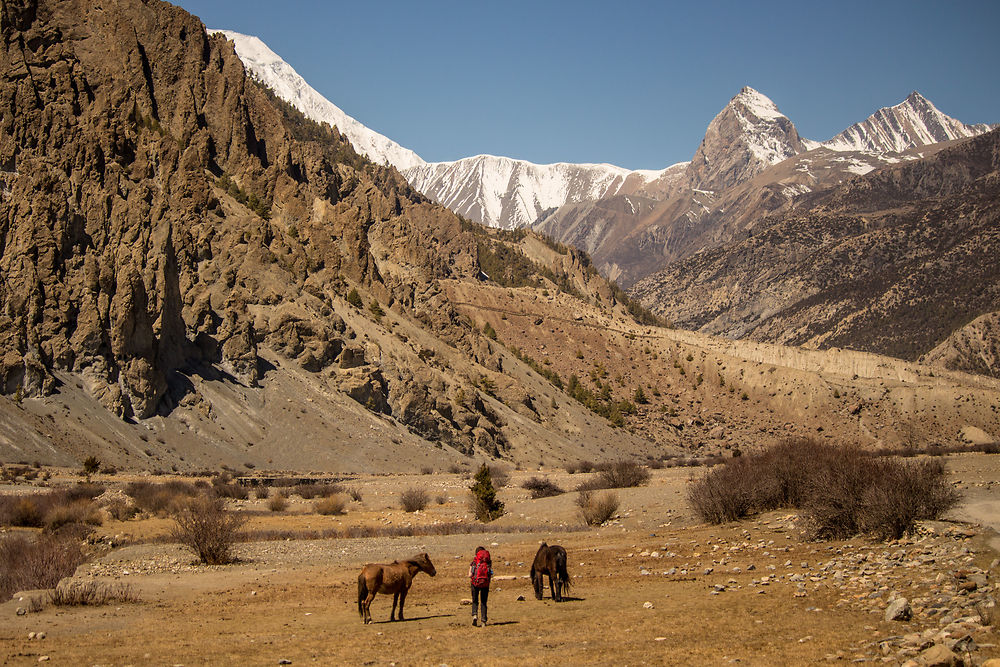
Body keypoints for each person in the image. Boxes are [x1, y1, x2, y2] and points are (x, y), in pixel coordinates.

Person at [469, 546, 492, 626]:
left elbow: (470, 574)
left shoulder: (475, 561)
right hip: (485, 584)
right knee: (483, 602)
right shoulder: (488, 562)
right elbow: (490, 573)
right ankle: (483, 620)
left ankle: (475, 615)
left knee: (475, 601)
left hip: (475, 583)